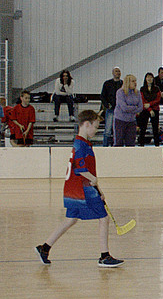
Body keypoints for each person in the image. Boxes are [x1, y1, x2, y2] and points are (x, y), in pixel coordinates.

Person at [35, 110, 123, 268]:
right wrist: (94, 181)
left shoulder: (82, 143)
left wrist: (99, 189)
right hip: (82, 190)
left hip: (74, 190)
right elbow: (80, 169)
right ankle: (104, 256)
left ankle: (44, 248)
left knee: (71, 219)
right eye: (95, 126)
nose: (96, 130)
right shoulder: (81, 144)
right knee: (104, 219)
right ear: (87, 124)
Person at [113, 75, 142, 147]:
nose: (135, 83)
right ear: (127, 82)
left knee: (131, 143)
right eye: (133, 81)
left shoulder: (137, 93)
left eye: (135, 81)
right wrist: (135, 107)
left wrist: (131, 108)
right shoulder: (120, 92)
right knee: (118, 142)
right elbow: (124, 108)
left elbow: (141, 107)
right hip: (120, 120)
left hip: (132, 121)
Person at [99, 67, 123, 146]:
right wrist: (107, 105)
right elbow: (102, 96)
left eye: (119, 71)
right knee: (108, 130)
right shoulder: (107, 83)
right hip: (110, 110)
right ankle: (105, 147)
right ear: (113, 73)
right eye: (116, 71)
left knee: (118, 130)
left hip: (120, 110)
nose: (118, 73)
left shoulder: (123, 84)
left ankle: (117, 145)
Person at [137, 72, 162, 146]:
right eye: (148, 77)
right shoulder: (142, 88)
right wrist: (149, 109)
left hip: (155, 109)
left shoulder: (157, 88)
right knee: (143, 128)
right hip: (145, 110)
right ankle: (141, 144)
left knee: (155, 128)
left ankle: (157, 144)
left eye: (151, 77)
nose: (149, 79)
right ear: (145, 79)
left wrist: (150, 105)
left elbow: (158, 99)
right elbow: (142, 99)